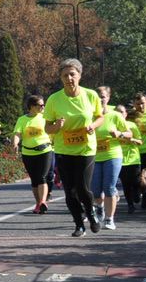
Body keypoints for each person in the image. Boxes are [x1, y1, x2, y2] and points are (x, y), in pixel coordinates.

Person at [44, 58, 104, 237]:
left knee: (83, 188)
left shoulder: (90, 95)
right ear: (61, 78)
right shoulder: (54, 99)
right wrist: (57, 126)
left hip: (86, 148)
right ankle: (79, 224)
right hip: (64, 150)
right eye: (65, 75)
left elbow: (100, 117)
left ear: (79, 75)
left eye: (72, 74)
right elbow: (47, 128)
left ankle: (91, 214)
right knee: (70, 191)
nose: (69, 78)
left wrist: (93, 126)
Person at [91, 86, 129, 230]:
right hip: (94, 156)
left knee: (109, 187)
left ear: (108, 98)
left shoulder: (115, 115)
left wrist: (119, 134)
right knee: (96, 191)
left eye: (103, 97)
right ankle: (100, 206)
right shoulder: (89, 115)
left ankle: (109, 219)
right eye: (97, 97)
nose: (100, 99)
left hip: (113, 154)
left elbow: (129, 133)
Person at [12, 94, 53, 214]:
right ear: (31, 106)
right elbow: (17, 133)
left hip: (45, 151)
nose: (43, 107)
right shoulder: (22, 119)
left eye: (44, 105)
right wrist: (15, 143)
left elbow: (53, 129)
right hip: (28, 153)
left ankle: (43, 202)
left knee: (42, 177)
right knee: (34, 180)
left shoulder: (45, 117)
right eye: (40, 105)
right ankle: (38, 203)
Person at [118, 105, 144, 214]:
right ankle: (130, 205)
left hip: (133, 158)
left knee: (136, 181)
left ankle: (138, 194)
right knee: (126, 183)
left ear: (126, 114)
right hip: (119, 159)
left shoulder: (131, 125)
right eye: (117, 112)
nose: (119, 114)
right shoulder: (112, 126)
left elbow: (140, 141)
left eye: (122, 112)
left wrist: (131, 139)